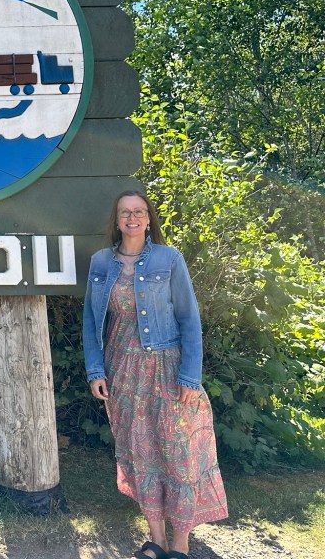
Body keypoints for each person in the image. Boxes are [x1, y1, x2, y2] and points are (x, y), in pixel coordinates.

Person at [82, 190, 228, 559]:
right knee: (141, 453)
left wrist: (190, 378)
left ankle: (181, 542)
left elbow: (189, 320)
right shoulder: (101, 263)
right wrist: (95, 370)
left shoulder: (169, 258)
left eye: (139, 212)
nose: (132, 218)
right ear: (116, 221)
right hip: (123, 372)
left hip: (167, 367)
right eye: (125, 212)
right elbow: (91, 322)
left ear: (149, 219)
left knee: (177, 452)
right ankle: (157, 540)